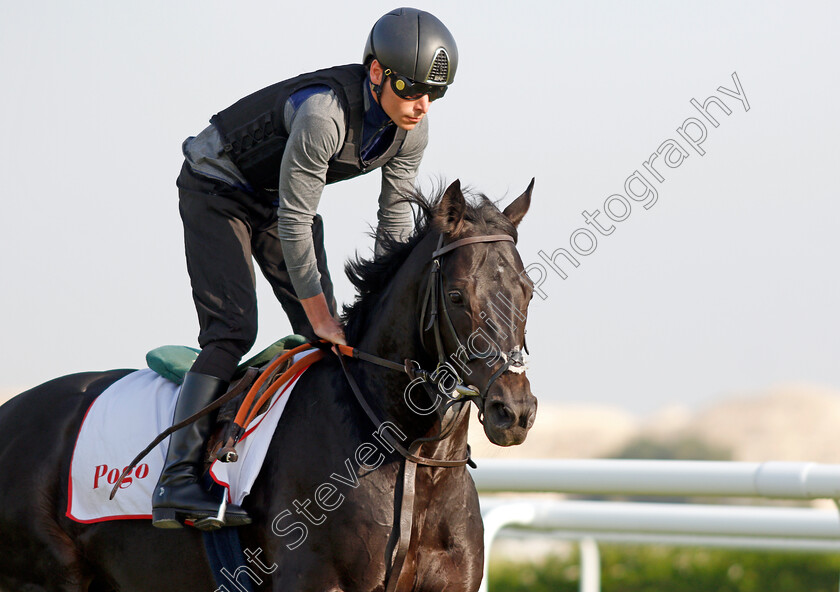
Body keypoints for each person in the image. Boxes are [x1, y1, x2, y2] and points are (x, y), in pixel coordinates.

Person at [151, 7, 458, 529]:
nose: (421, 106)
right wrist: (320, 315)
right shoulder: (323, 115)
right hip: (215, 187)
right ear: (378, 73)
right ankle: (177, 482)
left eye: (434, 94)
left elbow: (393, 222)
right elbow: (297, 221)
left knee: (333, 343)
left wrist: (384, 306)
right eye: (411, 90)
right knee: (233, 332)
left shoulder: (412, 131)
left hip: (275, 199)